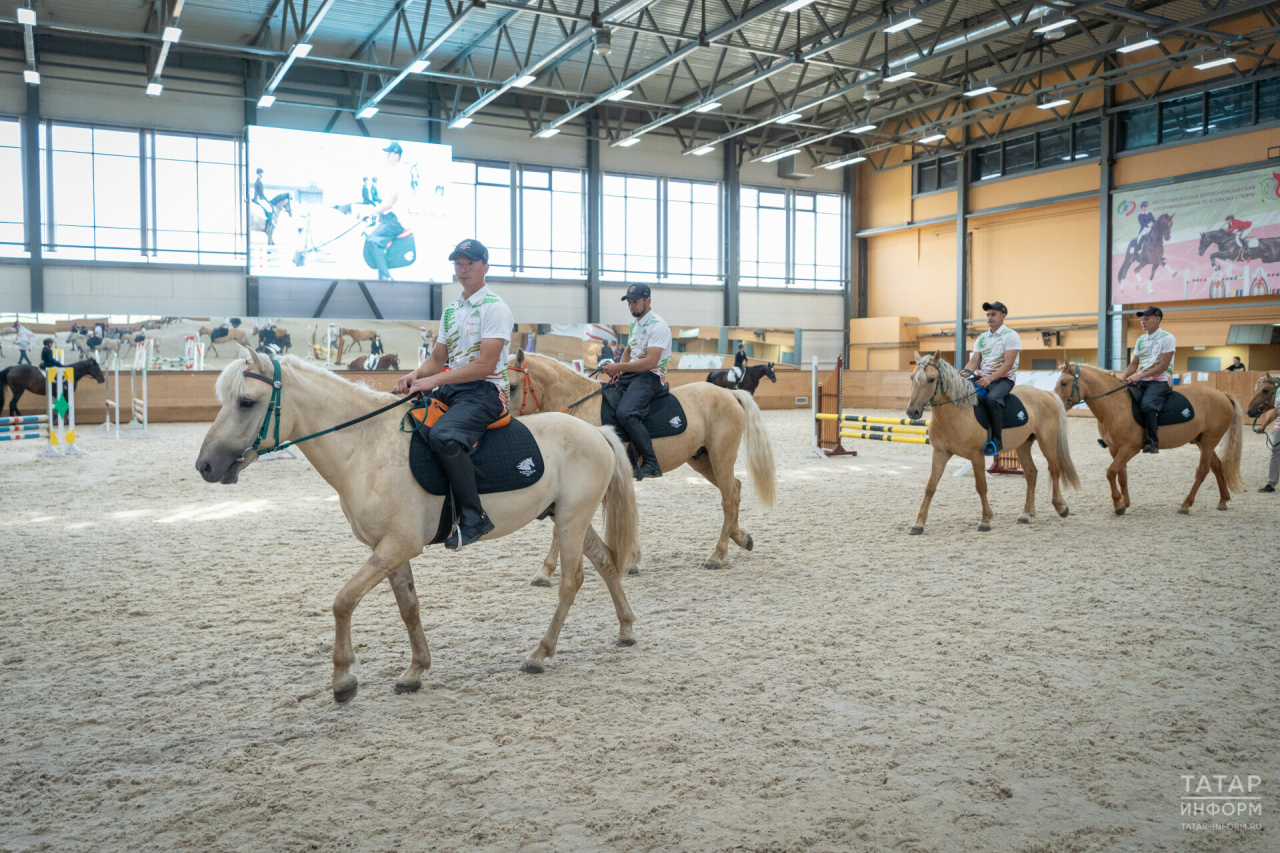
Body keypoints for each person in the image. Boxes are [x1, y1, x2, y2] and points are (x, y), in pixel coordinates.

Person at [394, 239, 513, 549]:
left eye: (469, 263)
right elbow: (436, 360)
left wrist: (433, 381)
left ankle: (475, 516)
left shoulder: (495, 308)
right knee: (405, 418)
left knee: (445, 436)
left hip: (486, 390)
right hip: (453, 388)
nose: (463, 269)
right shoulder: (451, 310)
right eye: (458, 264)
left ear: (485, 266)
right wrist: (414, 376)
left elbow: (484, 364)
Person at [601, 284, 672, 480]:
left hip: (652, 376)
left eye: (635, 302)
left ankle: (651, 462)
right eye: (629, 303)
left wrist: (619, 368)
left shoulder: (658, 326)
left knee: (626, 413)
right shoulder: (636, 324)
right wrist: (619, 371)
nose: (631, 306)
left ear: (648, 301)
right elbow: (628, 351)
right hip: (634, 374)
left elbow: (651, 362)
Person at [961, 301, 1021, 455]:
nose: (989, 317)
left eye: (993, 314)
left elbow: (1008, 364)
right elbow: (974, 361)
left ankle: (996, 440)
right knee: (961, 392)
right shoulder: (982, 337)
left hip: (1004, 379)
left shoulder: (1011, 336)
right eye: (988, 315)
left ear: (1003, 315)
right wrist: (963, 374)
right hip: (983, 377)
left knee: (992, 399)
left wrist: (990, 379)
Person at [1122, 306, 1176, 454]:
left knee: (1147, 405)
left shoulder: (1168, 338)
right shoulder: (1141, 340)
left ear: (1157, 319)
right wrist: (1122, 379)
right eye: (1141, 318)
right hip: (1142, 380)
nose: (1142, 321)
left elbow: (1163, 366)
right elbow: (1134, 364)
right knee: (1120, 400)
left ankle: (1152, 441)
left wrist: (1139, 376)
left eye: (1147, 318)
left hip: (1160, 381)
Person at [367, 142, 412, 281]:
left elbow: (390, 202)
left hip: (395, 219)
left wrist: (371, 212)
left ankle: (386, 276)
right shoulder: (394, 173)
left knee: (373, 241)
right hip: (388, 218)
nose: (387, 156)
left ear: (396, 154)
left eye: (389, 153)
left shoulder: (400, 174)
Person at [1255, 404, 1279, 493]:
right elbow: (1276, 411)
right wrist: (1264, 425)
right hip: (1278, 428)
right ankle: (1271, 483)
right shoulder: (1279, 392)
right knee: (1275, 453)